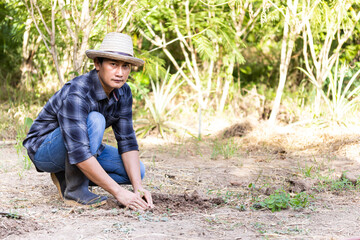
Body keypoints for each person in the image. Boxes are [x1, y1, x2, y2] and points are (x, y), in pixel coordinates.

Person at [23, 32, 154, 211]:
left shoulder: (124, 92)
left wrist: (137, 189)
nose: (120, 73)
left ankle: (65, 177)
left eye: (125, 66)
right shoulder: (78, 92)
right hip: (45, 149)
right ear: (97, 64)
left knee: (137, 172)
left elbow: (127, 140)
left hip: (81, 145)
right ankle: (75, 191)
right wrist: (119, 192)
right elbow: (78, 150)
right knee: (95, 119)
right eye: (113, 64)